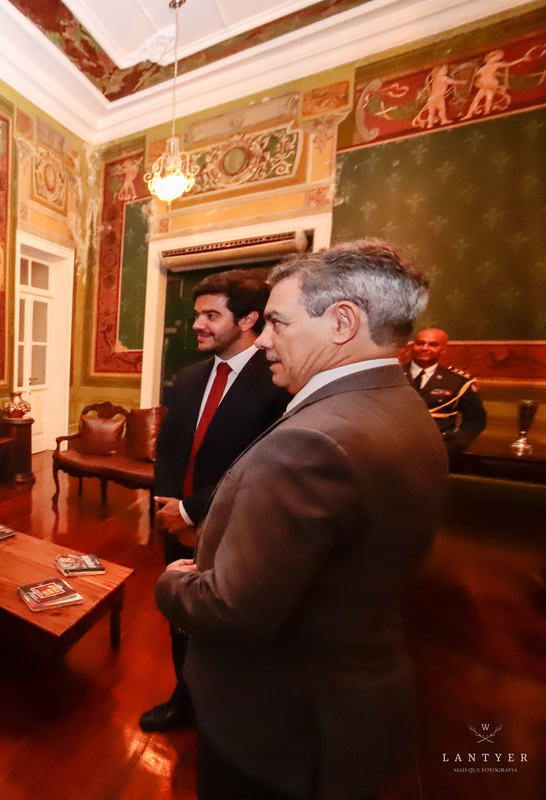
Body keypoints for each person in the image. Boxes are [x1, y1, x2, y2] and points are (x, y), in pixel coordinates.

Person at [156, 241, 449, 799]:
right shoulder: (397, 403)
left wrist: (175, 577)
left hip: (280, 726)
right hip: (348, 697)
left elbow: (230, 609)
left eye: (278, 322)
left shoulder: (313, 440)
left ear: (342, 322)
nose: (264, 339)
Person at [139, 269, 290, 733]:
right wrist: (168, 506)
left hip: (234, 525)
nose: (198, 325)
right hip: (176, 521)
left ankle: (225, 713)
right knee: (183, 614)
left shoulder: (278, 383)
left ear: (248, 319)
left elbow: (259, 463)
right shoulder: (188, 378)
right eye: (197, 314)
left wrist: (193, 510)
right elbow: (167, 446)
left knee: (226, 620)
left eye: (210, 315)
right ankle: (184, 698)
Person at [406, 327, 487, 455]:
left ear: (443, 349)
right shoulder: (389, 374)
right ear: (413, 345)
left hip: (437, 450)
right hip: (392, 450)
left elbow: (476, 420)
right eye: (420, 343)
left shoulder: (458, 381)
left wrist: (453, 446)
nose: (424, 348)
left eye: (433, 345)